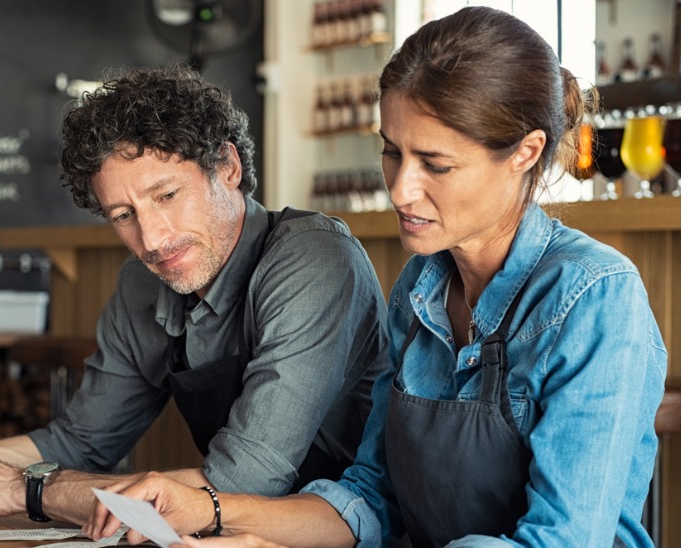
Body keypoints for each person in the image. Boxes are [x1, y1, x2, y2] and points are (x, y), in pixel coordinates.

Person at [88, 7, 667, 547]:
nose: (400, 188)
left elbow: (560, 541)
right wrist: (208, 509)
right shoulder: (420, 289)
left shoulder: (594, 296)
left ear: (525, 152)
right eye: (392, 152)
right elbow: (370, 498)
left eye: (435, 164)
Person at [0, 65, 389, 524]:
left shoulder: (312, 260)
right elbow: (80, 440)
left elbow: (243, 482)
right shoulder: (142, 283)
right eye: (123, 215)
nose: (151, 239)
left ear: (227, 167)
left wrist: (25, 491)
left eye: (167, 194)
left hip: (353, 531)